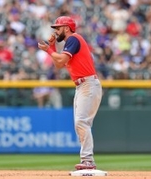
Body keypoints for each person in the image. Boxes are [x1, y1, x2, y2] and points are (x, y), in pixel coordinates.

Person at [38, 16, 103, 170]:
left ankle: (88, 161)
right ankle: (87, 160)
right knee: (80, 123)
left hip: (87, 84)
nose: (56, 31)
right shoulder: (70, 42)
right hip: (83, 85)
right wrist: (52, 48)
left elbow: (60, 60)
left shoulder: (73, 38)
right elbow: (59, 63)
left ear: (66, 28)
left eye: (58, 28)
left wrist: (49, 49)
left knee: (81, 122)